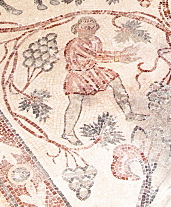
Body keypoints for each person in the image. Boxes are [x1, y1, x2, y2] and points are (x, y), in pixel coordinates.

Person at [62, 17, 146, 145]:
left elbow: (100, 54)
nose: (89, 30)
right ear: (77, 29)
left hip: (92, 71)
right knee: (75, 102)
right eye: (86, 27)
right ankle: (68, 133)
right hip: (77, 75)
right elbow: (95, 56)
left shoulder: (96, 40)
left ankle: (129, 113)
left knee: (115, 80)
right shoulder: (74, 44)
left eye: (92, 27)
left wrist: (120, 54)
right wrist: (118, 57)